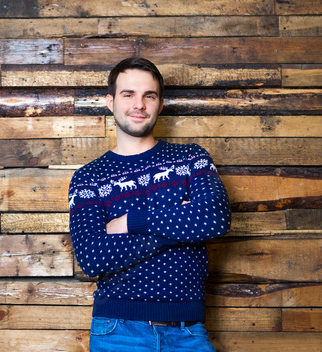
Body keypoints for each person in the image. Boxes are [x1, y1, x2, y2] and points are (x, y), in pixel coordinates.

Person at [68, 57, 231, 352]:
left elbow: (214, 218)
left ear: (160, 103)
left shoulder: (191, 158)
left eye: (149, 95)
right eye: (128, 94)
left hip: (188, 333)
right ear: (110, 101)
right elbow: (92, 256)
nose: (139, 104)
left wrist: (130, 222)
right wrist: (181, 224)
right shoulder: (89, 178)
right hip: (118, 331)